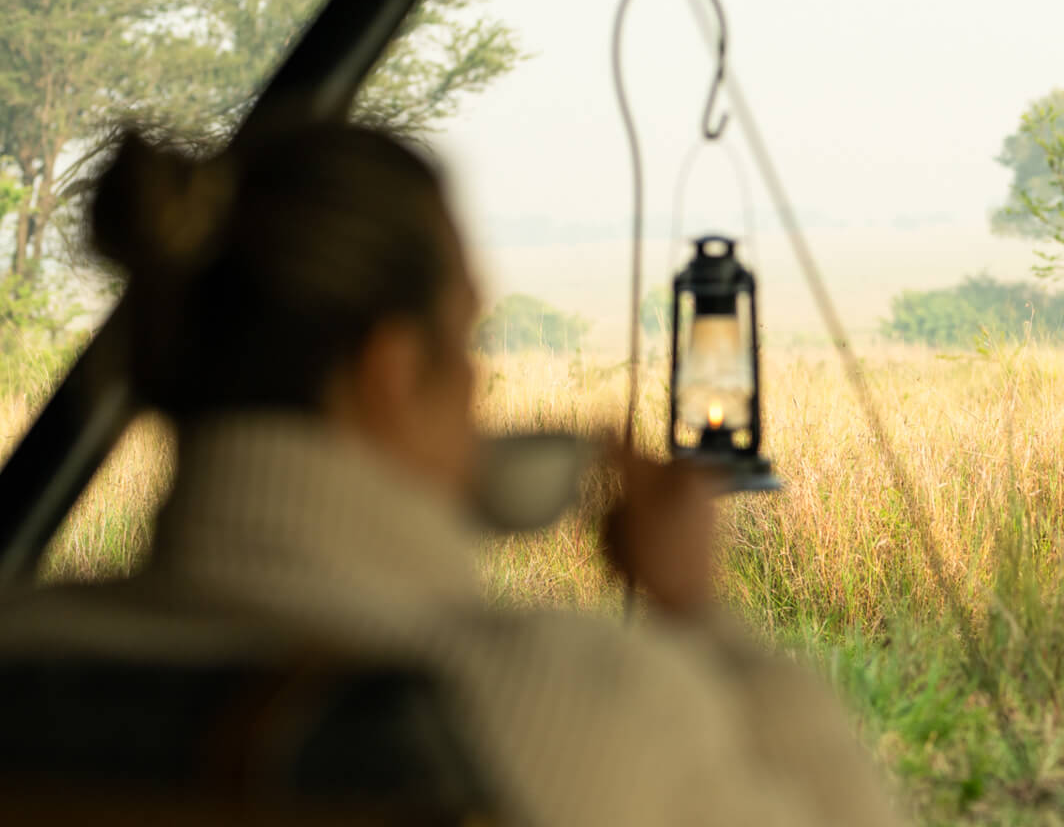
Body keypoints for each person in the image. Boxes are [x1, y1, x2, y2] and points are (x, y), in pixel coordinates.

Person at [0, 124, 900, 826]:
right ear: (390, 373)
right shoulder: (572, 706)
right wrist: (697, 614)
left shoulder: (27, 648)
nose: (481, 380)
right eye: (469, 336)